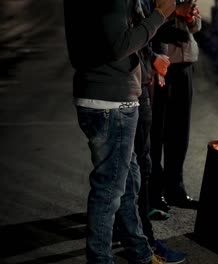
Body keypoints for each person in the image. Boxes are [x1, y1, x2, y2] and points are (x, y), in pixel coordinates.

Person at [63, 0, 182, 262]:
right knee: (109, 191)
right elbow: (119, 44)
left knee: (128, 182)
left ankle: (139, 252)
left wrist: (149, 56)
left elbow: (106, 40)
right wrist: (160, 14)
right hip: (111, 101)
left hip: (102, 96)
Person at [149, 0, 202, 213]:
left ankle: (175, 188)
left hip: (185, 65)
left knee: (180, 131)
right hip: (162, 65)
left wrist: (190, 18)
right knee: (156, 131)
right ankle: (153, 190)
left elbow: (196, 26)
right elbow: (146, 20)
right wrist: (174, 13)